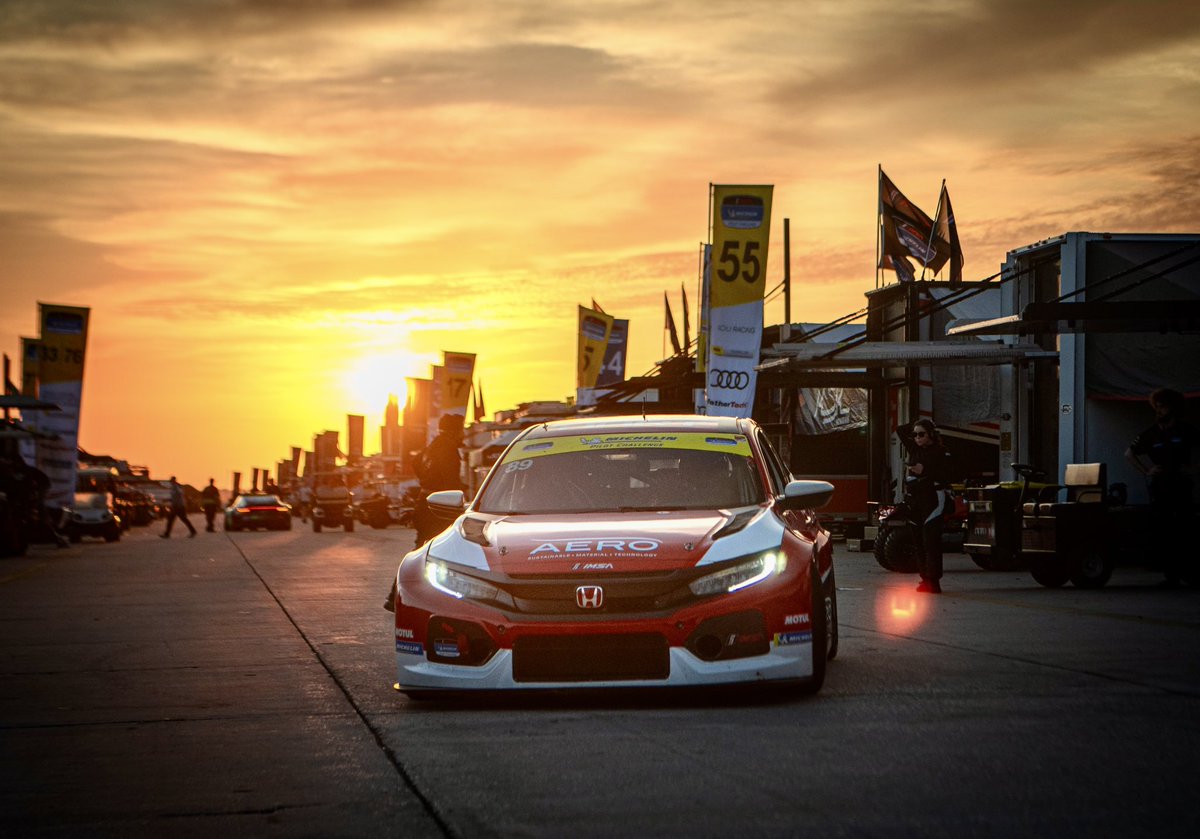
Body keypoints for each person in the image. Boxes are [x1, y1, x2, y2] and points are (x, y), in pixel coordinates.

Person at [384, 413, 465, 611]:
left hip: (425, 501)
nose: (463, 434)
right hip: (438, 508)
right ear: (455, 430)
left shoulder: (432, 447)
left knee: (422, 549)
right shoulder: (448, 449)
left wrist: (426, 482)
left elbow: (416, 463)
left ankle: (396, 595)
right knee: (440, 551)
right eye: (461, 429)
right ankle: (399, 595)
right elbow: (451, 481)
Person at [1125, 388, 1198, 587]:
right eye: (1157, 407)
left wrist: (1192, 469)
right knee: (1165, 529)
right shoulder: (1151, 434)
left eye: (1163, 407)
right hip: (1160, 487)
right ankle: (1170, 575)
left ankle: (1190, 573)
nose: (1159, 411)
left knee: (1185, 528)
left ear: (1173, 407)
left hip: (1181, 485)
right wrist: (1146, 471)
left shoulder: (1186, 430)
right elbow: (1129, 454)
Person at [897, 418, 955, 593]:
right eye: (915, 434)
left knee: (931, 540)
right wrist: (918, 425)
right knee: (919, 541)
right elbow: (900, 430)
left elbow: (950, 474)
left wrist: (925, 471)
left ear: (930, 434)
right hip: (916, 499)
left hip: (933, 499)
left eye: (921, 434)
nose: (917, 438)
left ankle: (934, 580)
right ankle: (924, 578)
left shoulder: (941, 451)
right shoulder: (915, 449)